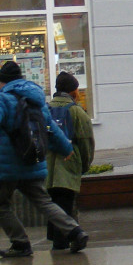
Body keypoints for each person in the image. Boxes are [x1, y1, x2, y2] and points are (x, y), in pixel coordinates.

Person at [0, 60, 88, 257]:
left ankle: (20, 242)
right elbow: (50, 129)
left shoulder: (3, 99)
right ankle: (75, 231)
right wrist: (66, 148)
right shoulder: (37, 99)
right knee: (43, 201)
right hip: (33, 160)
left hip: (8, 165)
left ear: (3, 82)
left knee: (0, 203)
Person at [45, 71, 94, 249]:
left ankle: (57, 243)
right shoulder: (77, 112)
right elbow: (86, 142)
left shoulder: (46, 109)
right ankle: (66, 242)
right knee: (67, 207)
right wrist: (84, 165)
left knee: (53, 206)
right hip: (69, 167)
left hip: (47, 169)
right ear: (73, 91)